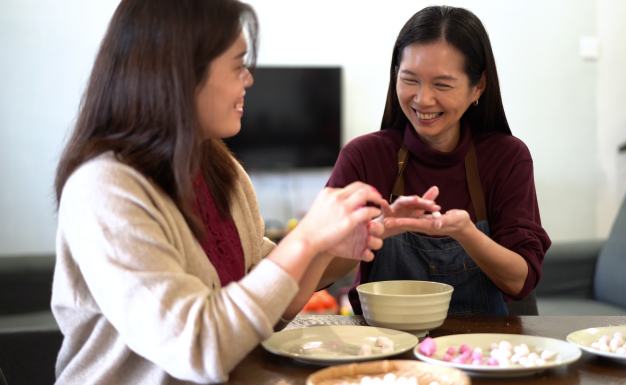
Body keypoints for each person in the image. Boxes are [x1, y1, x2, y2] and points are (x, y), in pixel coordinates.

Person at [51, 0, 388, 383]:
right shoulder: (105, 190)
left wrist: (325, 245)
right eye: (238, 64)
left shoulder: (221, 168)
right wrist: (307, 237)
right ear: (181, 74)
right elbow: (197, 347)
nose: (248, 79)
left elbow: (271, 310)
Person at [325, 6, 551, 316]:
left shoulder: (507, 158)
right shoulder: (364, 157)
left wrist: (465, 233)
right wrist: (376, 231)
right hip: (385, 345)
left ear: (478, 87)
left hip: (482, 350)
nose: (422, 99)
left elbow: (520, 280)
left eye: (442, 85)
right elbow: (316, 275)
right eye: (410, 80)